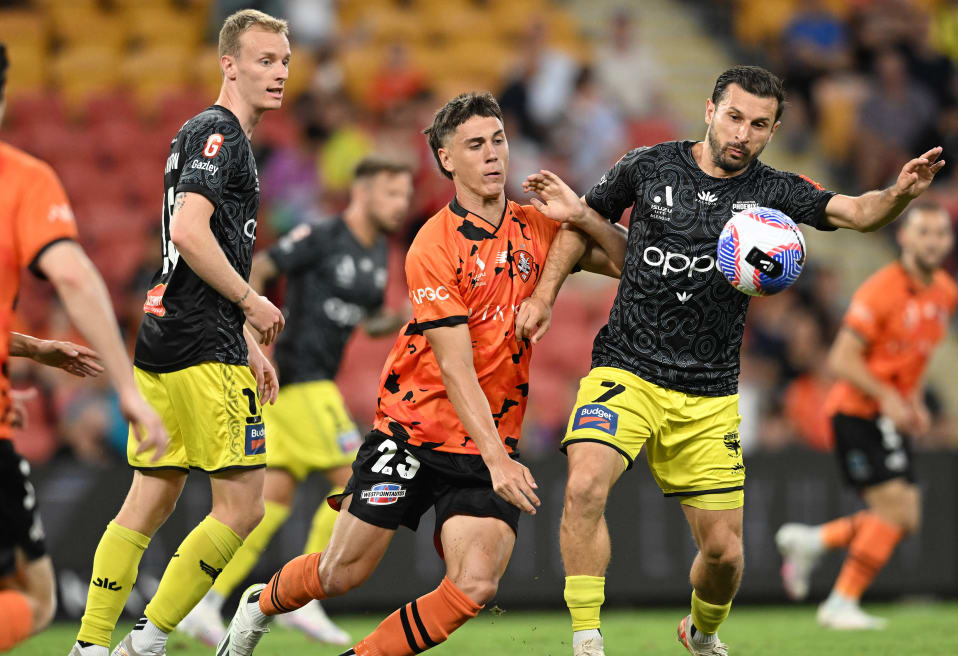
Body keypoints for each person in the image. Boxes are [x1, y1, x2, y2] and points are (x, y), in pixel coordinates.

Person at [514, 65, 946, 656]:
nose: (743, 133)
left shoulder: (775, 192)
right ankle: (587, 637)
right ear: (712, 109)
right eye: (736, 117)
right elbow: (575, 224)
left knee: (725, 555)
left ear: (773, 131)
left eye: (760, 125)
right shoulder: (648, 166)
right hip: (626, 369)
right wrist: (543, 297)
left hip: (709, 394)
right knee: (586, 484)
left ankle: (701, 632)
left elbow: (858, 213)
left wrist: (898, 194)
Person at [217, 91, 627, 656]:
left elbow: (632, 265)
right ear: (445, 159)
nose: (492, 155)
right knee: (341, 574)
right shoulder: (432, 244)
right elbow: (456, 368)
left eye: (499, 140)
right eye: (475, 145)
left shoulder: (539, 229)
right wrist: (497, 459)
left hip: (488, 439)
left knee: (476, 584)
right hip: (413, 431)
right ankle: (259, 604)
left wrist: (582, 215)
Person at [69, 9, 290, 656]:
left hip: (166, 333)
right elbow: (191, 232)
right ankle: (149, 640)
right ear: (229, 64)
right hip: (201, 345)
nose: (277, 73)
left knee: (151, 498)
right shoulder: (220, 134)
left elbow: (182, 251)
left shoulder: (200, 133)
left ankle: (88, 646)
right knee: (242, 508)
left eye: (282, 61)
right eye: (263, 60)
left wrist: (247, 345)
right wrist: (250, 303)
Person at [177, 157, 414, 646]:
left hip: (300, 388)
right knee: (357, 480)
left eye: (406, 196)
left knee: (271, 503)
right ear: (363, 191)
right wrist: (253, 339)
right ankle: (303, 600)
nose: (401, 205)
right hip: (300, 379)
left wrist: (403, 316)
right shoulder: (323, 235)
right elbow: (262, 267)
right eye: (392, 194)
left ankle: (201, 602)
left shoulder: (377, 254)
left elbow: (367, 322)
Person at [0, 42, 168, 654]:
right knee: (37, 600)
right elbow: (71, 275)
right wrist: (128, 388)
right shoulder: (19, 177)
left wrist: (35, 349)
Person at [775, 203, 957, 629]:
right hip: (857, 412)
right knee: (895, 513)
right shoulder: (881, 291)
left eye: (940, 233)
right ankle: (840, 601)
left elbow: (918, 353)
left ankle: (814, 541)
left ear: (949, 241)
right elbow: (840, 358)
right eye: (924, 232)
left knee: (904, 517)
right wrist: (888, 397)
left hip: (886, 413)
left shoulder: (946, 291)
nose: (933, 241)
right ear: (905, 239)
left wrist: (912, 399)